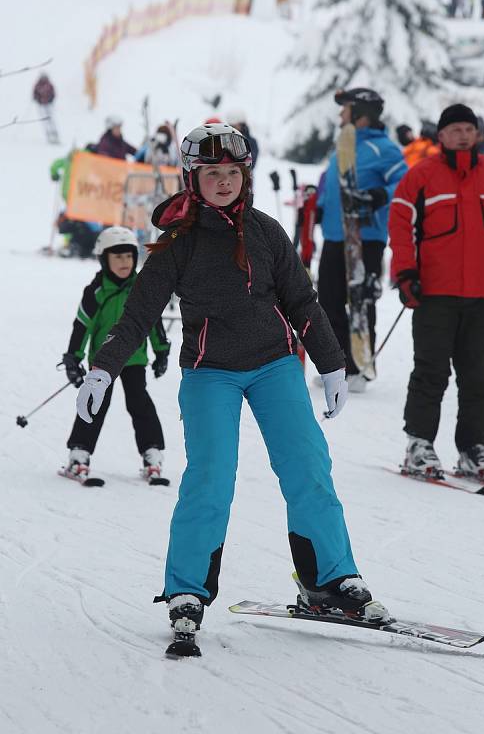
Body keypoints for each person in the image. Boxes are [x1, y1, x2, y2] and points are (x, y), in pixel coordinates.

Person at [75, 123, 391, 656]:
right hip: (210, 372)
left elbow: (302, 301)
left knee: (308, 467)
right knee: (211, 479)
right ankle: (186, 592)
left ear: (244, 176)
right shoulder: (178, 245)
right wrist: (104, 367)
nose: (223, 182)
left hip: (274, 366)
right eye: (211, 173)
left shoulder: (267, 233)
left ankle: (331, 580)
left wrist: (333, 363)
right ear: (192, 178)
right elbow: (137, 315)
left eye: (232, 173)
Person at [388, 103, 484, 483]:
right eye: (456, 129)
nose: (463, 134)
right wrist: (404, 274)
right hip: (433, 294)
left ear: (478, 134)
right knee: (431, 372)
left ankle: (472, 449)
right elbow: (401, 226)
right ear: (442, 136)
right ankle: (418, 444)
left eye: (469, 128)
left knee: (479, 376)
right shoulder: (420, 176)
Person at [60, 226, 170, 484]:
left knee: (139, 402)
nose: (124, 262)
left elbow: (153, 322)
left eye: (129, 256)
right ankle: (79, 454)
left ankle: (152, 454)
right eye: (117, 256)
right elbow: (82, 326)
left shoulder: (142, 288)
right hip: (102, 363)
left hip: (134, 359)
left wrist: (161, 351)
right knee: (95, 404)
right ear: (104, 259)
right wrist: (73, 357)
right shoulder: (96, 291)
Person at [317, 87, 407, 392]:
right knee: (328, 301)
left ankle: (360, 366)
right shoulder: (343, 145)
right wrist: (317, 205)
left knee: (360, 301)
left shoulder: (386, 149)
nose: (341, 115)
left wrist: (380, 195)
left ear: (361, 116)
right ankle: (337, 365)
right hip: (334, 235)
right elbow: (330, 183)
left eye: (346, 109)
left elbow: (404, 185)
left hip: (366, 236)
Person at [32, 72, 60, 144]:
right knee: (44, 121)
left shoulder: (49, 85)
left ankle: (55, 134)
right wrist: (37, 99)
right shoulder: (37, 85)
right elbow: (34, 94)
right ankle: (48, 135)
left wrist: (51, 100)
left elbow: (53, 93)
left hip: (48, 105)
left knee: (50, 120)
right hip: (41, 105)